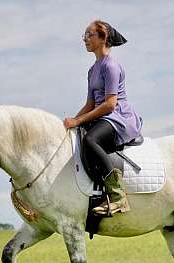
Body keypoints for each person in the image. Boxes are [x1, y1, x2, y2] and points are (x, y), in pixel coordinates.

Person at [63, 20, 142, 216]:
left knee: (90, 140)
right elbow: (90, 104)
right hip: (102, 116)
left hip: (117, 117)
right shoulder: (92, 70)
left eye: (89, 35)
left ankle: (118, 197)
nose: (85, 39)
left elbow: (109, 104)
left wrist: (79, 121)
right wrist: (71, 122)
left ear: (103, 38)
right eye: (84, 35)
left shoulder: (111, 66)